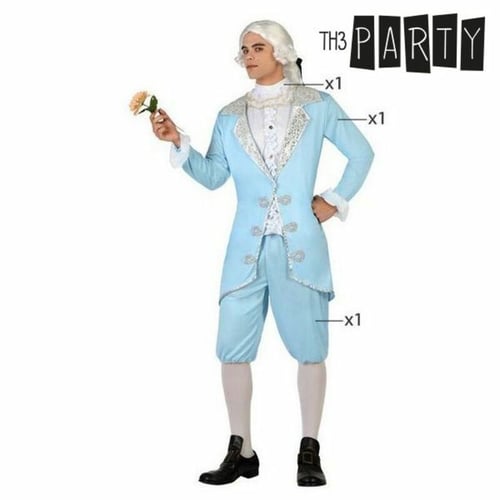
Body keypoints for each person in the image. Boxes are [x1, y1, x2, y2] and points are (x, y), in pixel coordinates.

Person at [150, 19, 374, 487]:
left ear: (280, 52)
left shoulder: (317, 104)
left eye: (257, 48)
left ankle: (309, 449)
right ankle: (242, 450)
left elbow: (362, 153)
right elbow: (214, 176)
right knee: (232, 348)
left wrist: (333, 201)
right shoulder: (228, 115)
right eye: (244, 49)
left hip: (301, 247)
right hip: (244, 251)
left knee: (310, 349)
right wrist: (178, 142)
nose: (248, 56)